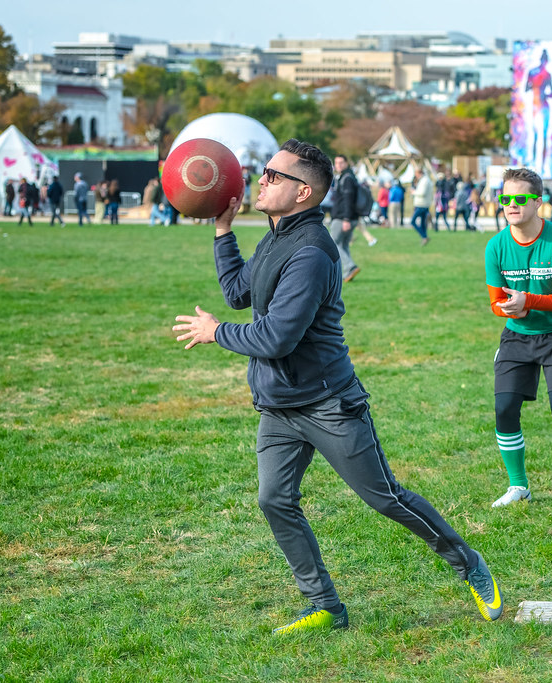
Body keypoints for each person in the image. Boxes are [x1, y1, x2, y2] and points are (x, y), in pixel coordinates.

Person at [171, 137, 504, 634]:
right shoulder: (277, 236)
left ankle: (469, 562)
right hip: (280, 405)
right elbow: (241, 293)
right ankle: (324, 604)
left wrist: (216, 332)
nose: (259, 180)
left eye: (273, 175)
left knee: (385, 498)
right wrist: (222, 231)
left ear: (304, 192)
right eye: (263, 171)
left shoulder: (312, 253)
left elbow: (277, 336)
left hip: (329, 404)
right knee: (274, 499)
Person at [484, 167, 552, 514]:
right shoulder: (496, 246)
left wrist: (526, 300)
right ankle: (518, 486)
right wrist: (507, 309)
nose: (511, 205)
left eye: (520, 198)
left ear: (538, 202)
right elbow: (495, 303)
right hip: (519, 335)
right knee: (504, 409)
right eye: (506, 199)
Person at [328, 154, 360, 283]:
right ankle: (348, 273)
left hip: (343, 217)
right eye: (336, 163)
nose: (338, 165)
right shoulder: (349, 177)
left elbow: (348, 200)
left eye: (341, 163)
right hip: (349, 217)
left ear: (346, 163)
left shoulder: (347, 179)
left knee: (334, 243)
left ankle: (350, 266)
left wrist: (346, 219)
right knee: (344, 244)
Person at [411, 168, 433, 245]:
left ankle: (424, 236)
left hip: (422, 204)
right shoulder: (425, 180)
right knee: (422, 223)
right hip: (424, 204)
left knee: (413, 221)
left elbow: (422, 193)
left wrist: (414, 192)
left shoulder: (424, 181)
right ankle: (424, 237)